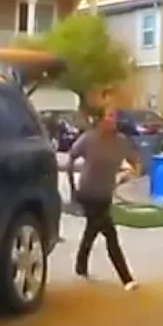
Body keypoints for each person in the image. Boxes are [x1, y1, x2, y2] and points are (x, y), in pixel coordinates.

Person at [66, 108, 140, 291]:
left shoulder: (121, 142)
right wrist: (72, 188)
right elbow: (71, 158)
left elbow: (136, 164)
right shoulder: (89, 139)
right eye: (108, 118)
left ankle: (80, 265)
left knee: (92, 229)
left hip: (105, 194)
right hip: (88, 192)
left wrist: (125, 177)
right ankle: (127, 279)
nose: (112, 121)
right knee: (110, 234)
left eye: (114, 118)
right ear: (99, 121)